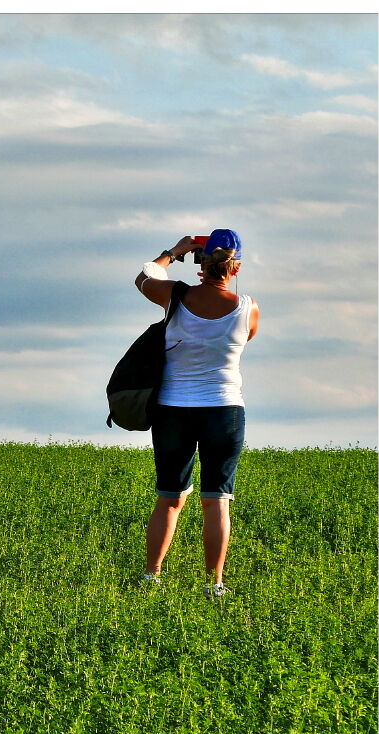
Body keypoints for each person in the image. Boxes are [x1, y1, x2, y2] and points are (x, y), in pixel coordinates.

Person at [133, 229, 260, 598]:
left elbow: (143, 277)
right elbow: (245, 338)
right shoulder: (248, 307)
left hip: (174, 410)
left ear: (200, 263)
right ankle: (214, 585)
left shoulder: (175, 296)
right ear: (235, 267)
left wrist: (173, 252)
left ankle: (152, 578)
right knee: (216, 500)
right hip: (225, 411)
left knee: (170, 498)